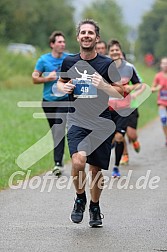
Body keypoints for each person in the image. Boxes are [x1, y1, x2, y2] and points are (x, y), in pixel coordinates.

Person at [57, 19, 123, 227]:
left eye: (90, 33)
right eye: (83, 32)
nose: (86, 35)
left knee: (95, 170)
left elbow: (120, 92)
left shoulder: (106, 64)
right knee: (78, 162)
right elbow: (60, 82)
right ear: (78, 37)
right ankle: (80, 198)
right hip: (77, 120)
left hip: (101, 122)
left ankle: (95, 206)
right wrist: (63, 88)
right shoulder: (69, 62)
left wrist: (103, 84)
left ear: (97, 38)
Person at [32, 31, 69, 176]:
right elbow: (34, 78)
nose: (62, 44)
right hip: (48, 101)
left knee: (59, 129)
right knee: (55, 131)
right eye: (59, 42)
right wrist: (47, 78)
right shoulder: (43, 60)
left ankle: (58, 164)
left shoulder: (69, 59)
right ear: (52, 44)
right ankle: (59, 157)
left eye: (63, 42)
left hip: (64, 100)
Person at [108, 40, 143, 177]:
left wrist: (131, 87)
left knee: (119, 136)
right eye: (112, 50)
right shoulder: (104, 66)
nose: (115, 52)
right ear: (109, 53)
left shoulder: (129, 67)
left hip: (124, 108)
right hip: (107, 108)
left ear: (120, 52)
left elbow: (139, 84)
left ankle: (116, 166)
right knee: (109, 138)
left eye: (117, 50)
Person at [151, 57, 167, 146]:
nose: (165, 65)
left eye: (166, 63)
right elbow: (152, 89)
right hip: (162, 102)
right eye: (163, 63)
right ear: (161, 65)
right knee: (164, 119)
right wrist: (158, 88)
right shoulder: (158, 76)